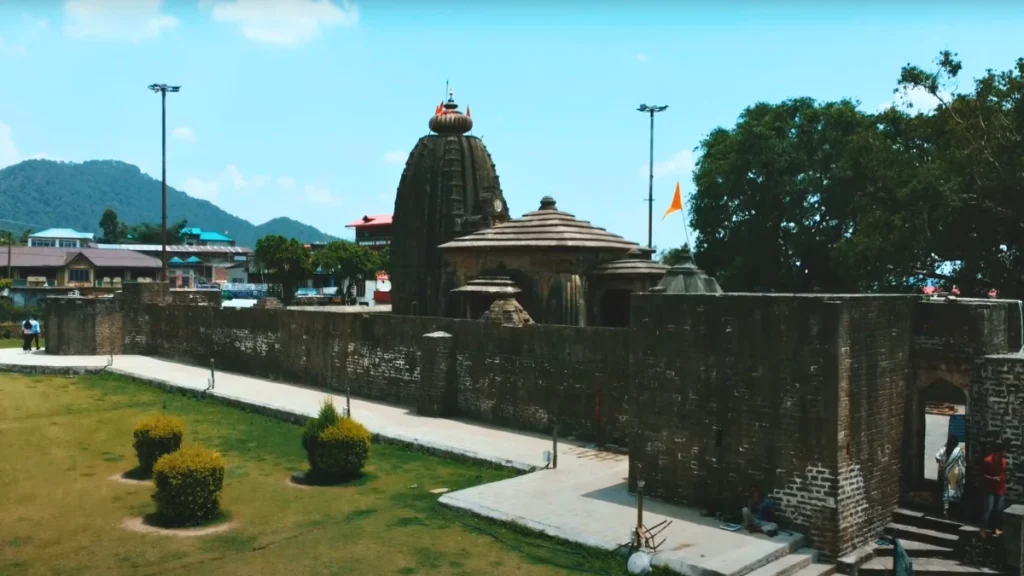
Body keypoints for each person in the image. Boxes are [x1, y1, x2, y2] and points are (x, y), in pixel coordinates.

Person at [981, 442, 1008, 537]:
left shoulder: (1004, 462)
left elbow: (1004, 474)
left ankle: (995, 529)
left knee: (999, 510)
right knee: (988, 508)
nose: (1000, 455)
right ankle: (983, 529)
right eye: (999, 453)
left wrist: (1004, 485)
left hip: (1000, 488)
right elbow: (982, 475)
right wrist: (992, 478)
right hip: (990, 488)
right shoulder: (987, 461)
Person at [935, 434, 965, 518]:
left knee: (948, 492)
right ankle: (947, 510)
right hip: (950, 475)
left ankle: (947, 510)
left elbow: (937, 457)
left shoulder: (953, 451)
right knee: (948, 492)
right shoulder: (954, 451)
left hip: (952, 475)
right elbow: (963, 463)